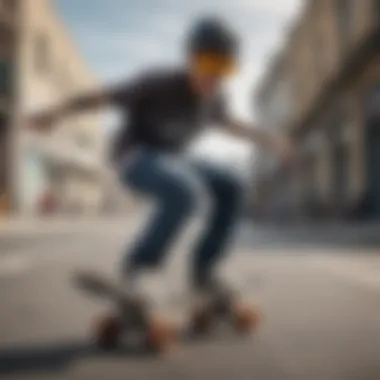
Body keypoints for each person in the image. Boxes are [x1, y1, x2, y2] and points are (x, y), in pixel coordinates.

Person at [29, 17, 294, 305]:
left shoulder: (215, 100)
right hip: (134, 158)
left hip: (174, 160)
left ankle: (203, 274)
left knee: (233, 184)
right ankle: (139, 272)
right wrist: (55, 112)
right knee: (185, 191)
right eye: (208, 66)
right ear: (191, 59)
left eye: (223, 69)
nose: (213, 78)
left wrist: (270, 140)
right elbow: (103, 97)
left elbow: (232, 126)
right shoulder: (158, 83)